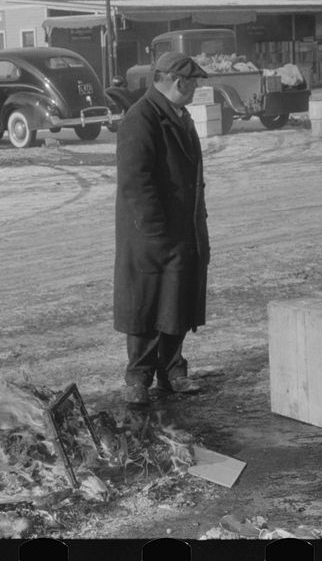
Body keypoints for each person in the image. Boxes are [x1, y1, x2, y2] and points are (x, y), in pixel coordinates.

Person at [113, 51, 211, 407]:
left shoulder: (178, 115)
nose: (196, 88)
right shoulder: (141, 118)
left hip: (180, 230)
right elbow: (135, 182)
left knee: (176, 302)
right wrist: (155, 231)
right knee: (145, 306)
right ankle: (138, 377)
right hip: (150, 235)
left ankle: (173, 371)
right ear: (177, 81)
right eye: (194, 83)